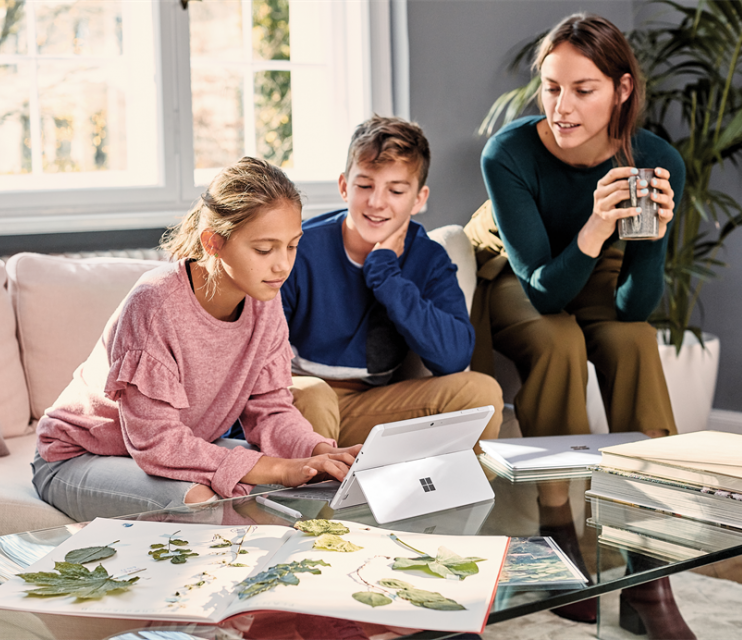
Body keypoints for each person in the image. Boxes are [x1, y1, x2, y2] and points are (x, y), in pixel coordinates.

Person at [469, 14, 691, 637]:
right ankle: (558, 534)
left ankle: (649, 571)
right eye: (551, 88)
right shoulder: (509, 154)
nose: (561, 107)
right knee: (558, 340)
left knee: (635, 341)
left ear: (622, 89)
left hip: (601, 271)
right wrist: (594, 226)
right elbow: (545, 292)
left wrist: (656, 237)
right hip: (520, 273)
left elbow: (635, 309)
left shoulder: (656, 160)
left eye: (582, 89)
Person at [32, 157, 361, 522]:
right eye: (264, 249)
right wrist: (281, 468)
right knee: (202, 501)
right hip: (78, 457)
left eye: (292, 246)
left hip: (170, 450)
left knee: (309, 486)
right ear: (213, 242)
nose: (282, 265)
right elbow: (157, 442)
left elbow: (271, 410)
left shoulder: (264, 300)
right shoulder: (155, 303)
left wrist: (318, 453)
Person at [283, 114, 503, 449]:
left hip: (366, 406)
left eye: (396, 190)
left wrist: (385, 275)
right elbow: (259, 356)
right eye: (364, 186)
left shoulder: (428, 257)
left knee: (481, 394)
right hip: (295, 400)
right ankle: (317, 482)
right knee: (316, 395)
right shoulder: (299, 248)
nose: (376, 202)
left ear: (419, 198)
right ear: (344, 186)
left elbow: (453, 357)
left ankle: (450, 491)